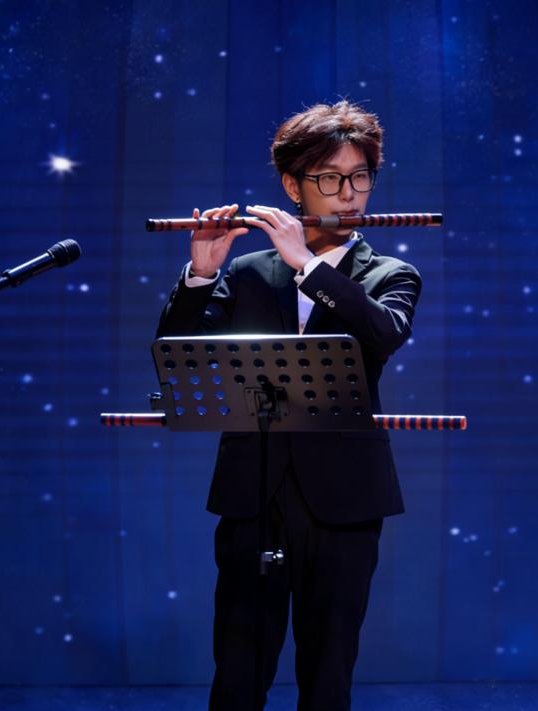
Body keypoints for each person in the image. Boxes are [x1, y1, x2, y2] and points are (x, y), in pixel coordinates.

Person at [155, 100, 421, 710]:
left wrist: (307, 264)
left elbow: (383, 333)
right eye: (329, 178)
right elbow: (178, 360)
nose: (348, 195)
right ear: (292, 186)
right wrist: (201, 274)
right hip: (253, 494)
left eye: (360, 177)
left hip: (346, 500)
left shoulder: (390, 274)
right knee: (238, 673)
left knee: (328, 675)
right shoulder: (248, 272)